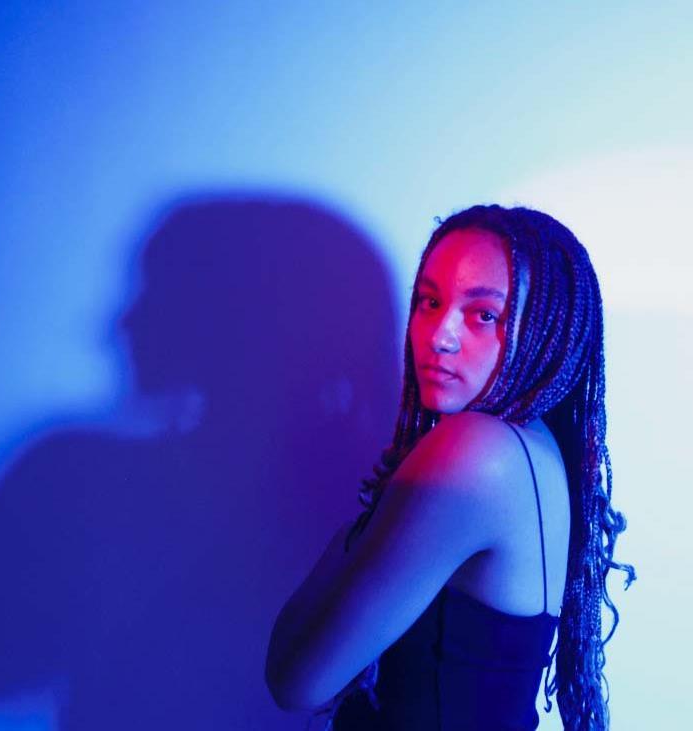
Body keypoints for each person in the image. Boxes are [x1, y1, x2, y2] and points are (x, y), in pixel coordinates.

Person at [266, 204, 635, 731]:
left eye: (483, 315)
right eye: (430, 302)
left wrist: (351, 537)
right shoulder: (533, 447)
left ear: (546, 332)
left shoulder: (475, 453)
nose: (440, 335)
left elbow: (295, 680)